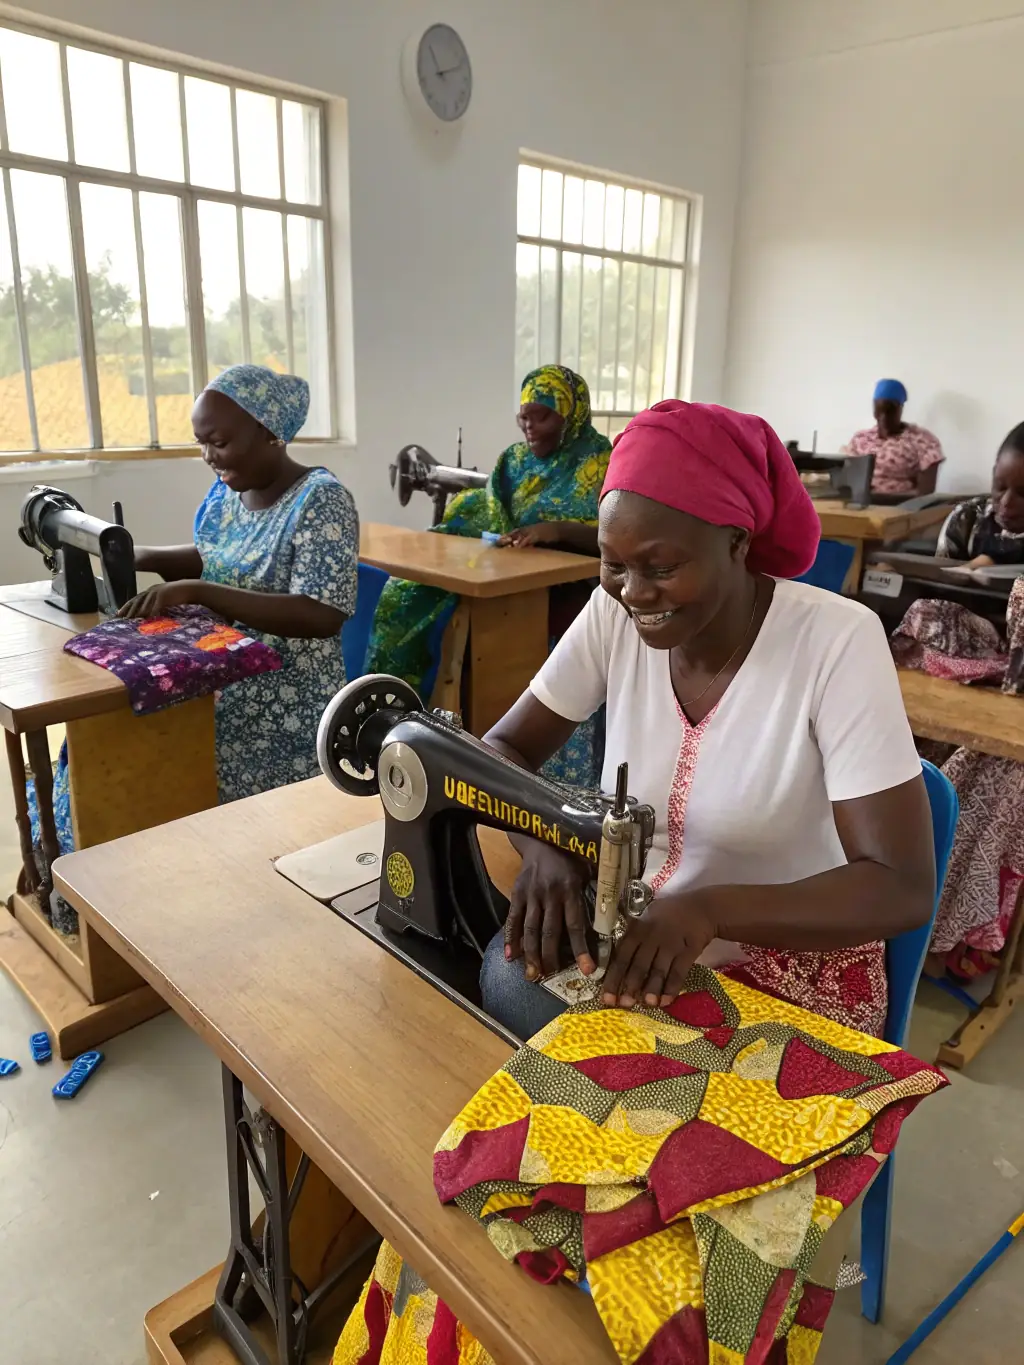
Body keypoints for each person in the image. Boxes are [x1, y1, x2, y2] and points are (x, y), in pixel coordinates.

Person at [478, 400, 935, 1041]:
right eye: (614, 564)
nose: (634, 592)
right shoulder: (615, 616)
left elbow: (901, 888)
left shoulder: (835, 641)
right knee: (502, 981)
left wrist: (709, 911)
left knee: (607, 1068)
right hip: (641, 928)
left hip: (791, 962)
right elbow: (501, 749)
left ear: (737, 543)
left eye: (661, 568)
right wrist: (542, 838)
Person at [366, 364, 611, 786]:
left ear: (571, 416)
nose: (529, 427)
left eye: (542, 416)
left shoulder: (600, 462)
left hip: (573, 598)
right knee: (402, 593)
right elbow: (495, 512)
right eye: (523, 416)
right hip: (511, 581)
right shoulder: (513, 461)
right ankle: (407, 724)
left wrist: (557, 532)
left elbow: (613, 535)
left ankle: (549, 783)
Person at [123, 364, 358, 802]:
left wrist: (198, 591)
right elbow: (216, 557)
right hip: (220, 681)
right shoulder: (228, 491)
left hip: (283, 709)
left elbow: (321, 613)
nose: (209, 456)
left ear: (270, 433)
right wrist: (140, 556)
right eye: (202, 444)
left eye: (220, 442)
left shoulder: (321, 500)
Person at [936, 421, 1024, 568]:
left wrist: (996, 566)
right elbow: (939, 580)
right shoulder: (967, 519)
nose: (1006, 501)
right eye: (1000, 486)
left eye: (1023, 493)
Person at [845, 378, 944, 496]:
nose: (884, 417)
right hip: (861, 504)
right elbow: (848, 480)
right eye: (879, 410)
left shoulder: (922, 441)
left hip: (902, 506)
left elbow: (925, 492)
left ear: (901, 409)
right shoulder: (860, 439)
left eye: (890, 411)